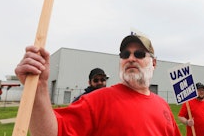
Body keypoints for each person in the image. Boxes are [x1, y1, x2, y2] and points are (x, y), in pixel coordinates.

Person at [14, 34, 181, 136]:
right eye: (125, 54)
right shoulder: (97, 100)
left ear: (154, 63)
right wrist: (39, 87)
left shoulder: (163, 106)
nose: (130, 58)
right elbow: (53, 133)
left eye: (139, 53)